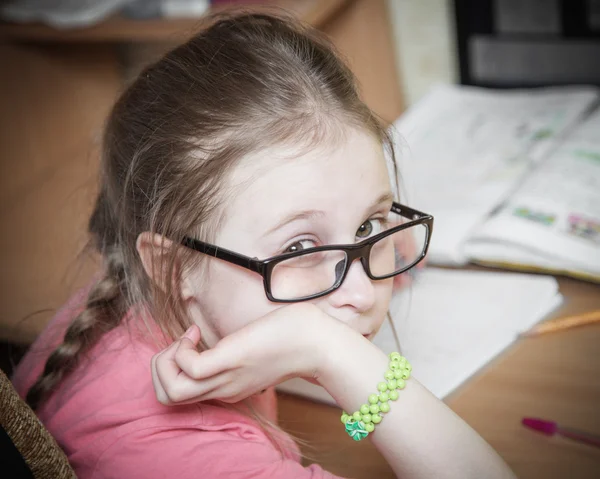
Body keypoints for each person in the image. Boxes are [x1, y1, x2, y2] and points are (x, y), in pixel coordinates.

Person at [12, 11, 516, 479]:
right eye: (299, 248)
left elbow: (354, 240)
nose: (362, 296)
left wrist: (365, 239)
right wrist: (337, 355)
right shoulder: (177, 456)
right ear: (171, 267)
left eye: (366, 227)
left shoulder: (150, 290)